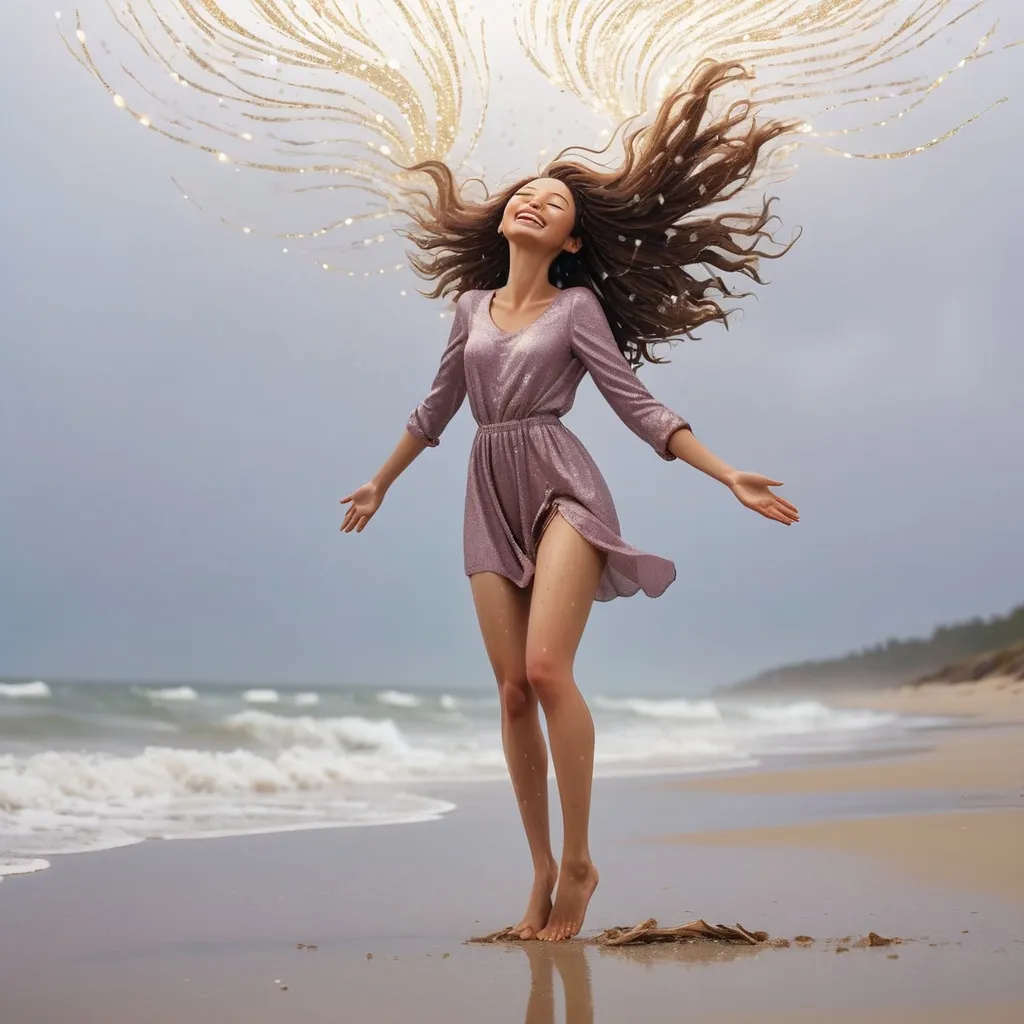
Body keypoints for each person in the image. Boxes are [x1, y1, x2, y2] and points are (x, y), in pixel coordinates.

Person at [340, 60, 800, 942]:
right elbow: (436, 408)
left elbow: (637, 404)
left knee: (549, 672)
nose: (535, 202)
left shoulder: (578, 307)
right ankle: (541, 869)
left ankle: (583, 863)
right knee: (511, 692)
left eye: (556, 203)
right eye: (527, 194)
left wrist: (725, 470)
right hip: (486, 491)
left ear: (573, 241)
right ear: (507, 216)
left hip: (562, 482)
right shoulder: (469, 307)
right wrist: (381, 479)